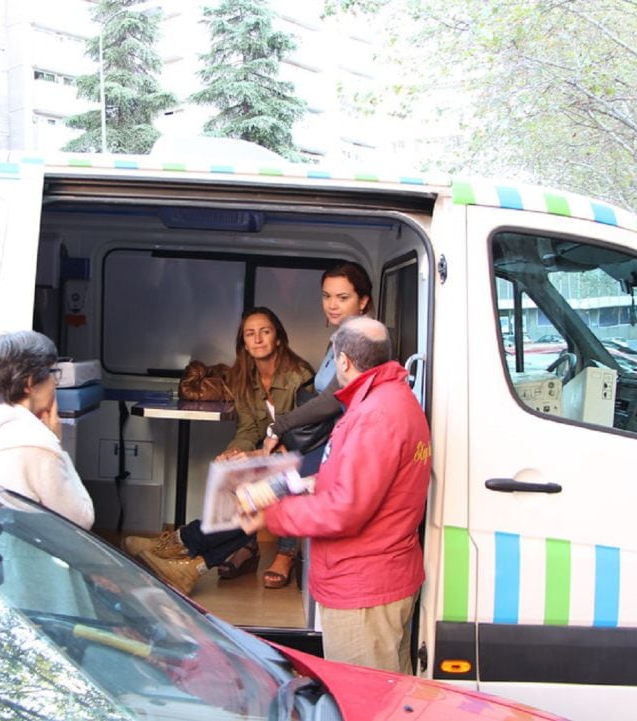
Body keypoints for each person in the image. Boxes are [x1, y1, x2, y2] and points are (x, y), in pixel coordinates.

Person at [240, 316, 431, 674]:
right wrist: (292, 485)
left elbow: (344, 510)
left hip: (364, 589)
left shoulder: (373, 415)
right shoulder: (393, 399)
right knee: (391, 700)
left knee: (366, 703)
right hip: (384, 579)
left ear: (343, 361)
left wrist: (271, 516)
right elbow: (356, 480)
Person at [125, 307, 315, 594]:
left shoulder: (299, 375)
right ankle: (194, 564)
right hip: (266, 456)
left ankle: (184, 543)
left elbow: (303, 437)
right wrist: (234, 453)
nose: (258, 339)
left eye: (265, 331)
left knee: (262, 493)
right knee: (230, 477)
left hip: (299, 460)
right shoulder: (243, 377)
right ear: (243, 343)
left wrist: (256, 457)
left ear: (278, 338)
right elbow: (249, 429)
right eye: (250, 334)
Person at [258, 260, 374, 588]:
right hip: (318, 435)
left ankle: (282, 554)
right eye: (327, 296)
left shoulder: (362, 340)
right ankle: (199, 548)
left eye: (342, 297)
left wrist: (279, 427)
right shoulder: (339, 337)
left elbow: (333, 400)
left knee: (271, 483)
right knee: (256, 473)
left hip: (335, 440)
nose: (332, 305)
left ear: (362, 300)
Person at [0, 330, 95, 529]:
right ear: (29, 383)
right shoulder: (37, 443)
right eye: (53, 374)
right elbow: (81, 519)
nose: (55, 383)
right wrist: (59, 446)